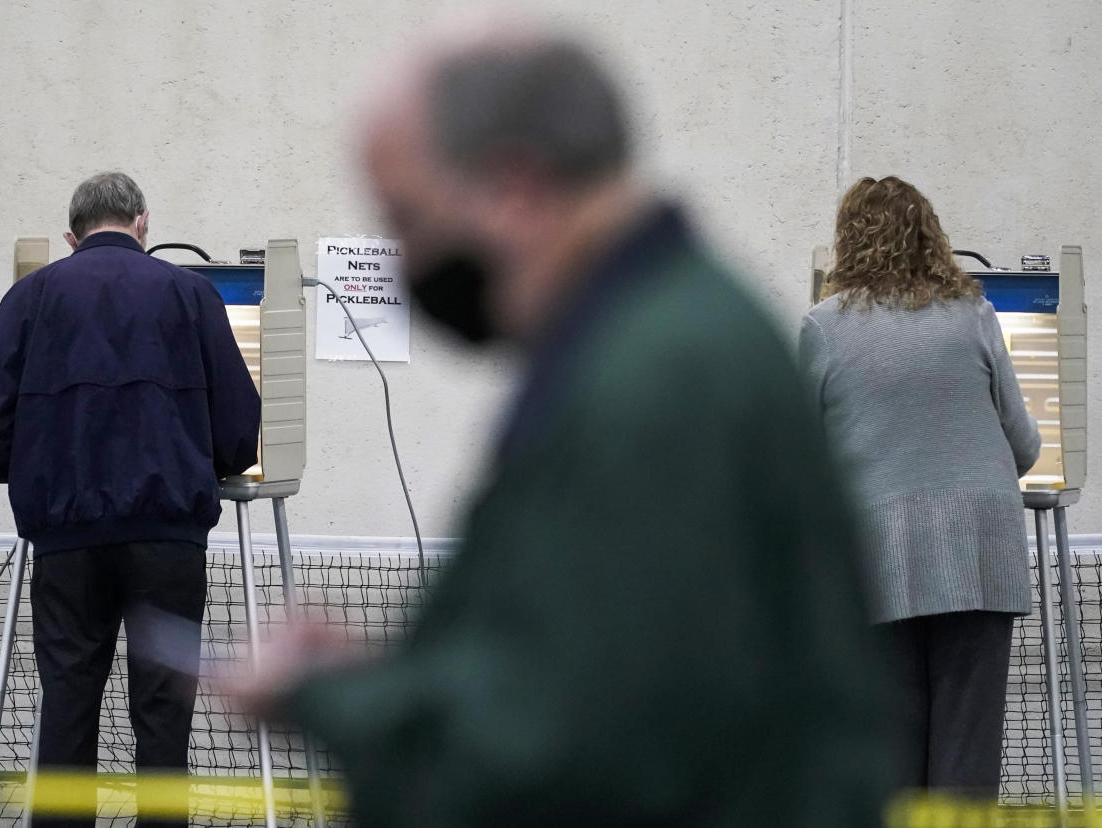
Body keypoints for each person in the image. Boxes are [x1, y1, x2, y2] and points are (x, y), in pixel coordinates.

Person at [238, 28, 898, 828]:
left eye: (407, 218)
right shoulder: (664, 341)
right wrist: (397, 680)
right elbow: (594, 661)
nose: (403, 261)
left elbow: (566, 752)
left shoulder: (658, 384)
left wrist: (333, 701)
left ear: (517, 186)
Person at [0, 171, 260, 828]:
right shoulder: (192, 293)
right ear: (144, 223)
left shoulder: (30, 297)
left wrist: (39, 470)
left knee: (67, 706)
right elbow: (241, 430)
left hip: (67, 544)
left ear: (72, 236)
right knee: (163, 713)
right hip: (168, 542)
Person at [798, 176, 1042, 797]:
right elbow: (1023, 445)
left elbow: (801, 460)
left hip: (876, 564)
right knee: (967, 757)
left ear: (850, 240)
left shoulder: (824, 328)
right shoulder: (975, 316)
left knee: (891, 754)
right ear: (931, 237)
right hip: (981, 560)